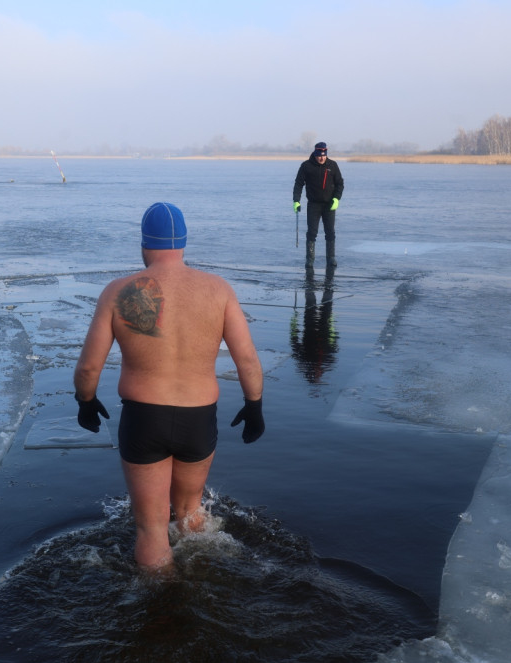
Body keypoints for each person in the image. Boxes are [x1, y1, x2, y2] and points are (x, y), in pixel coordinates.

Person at [73, 202, 265, 572]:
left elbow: (88, 366)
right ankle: (205, 584)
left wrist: (86, 400)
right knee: (192, 513)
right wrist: (254, 405)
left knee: (150, 528)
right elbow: (248, 360)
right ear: (183, 243)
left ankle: (160, 608)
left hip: (144, 417)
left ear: (145, 244)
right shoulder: (218, 290)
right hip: (198, 417)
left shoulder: (118, 291)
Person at [293, 142, 344, 270]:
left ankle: (331, 258)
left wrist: (336, 199)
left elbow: (340, 184)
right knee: (312, 233)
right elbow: (298, 184)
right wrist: (296, 201)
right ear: (315, 154)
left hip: (329, 205)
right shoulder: (306, 166)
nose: (322, 158)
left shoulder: (333, 165)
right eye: (319, 156)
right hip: (313, 205)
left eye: (324, 156)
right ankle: (310, 259)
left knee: (330, 232)